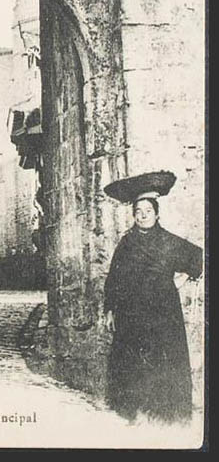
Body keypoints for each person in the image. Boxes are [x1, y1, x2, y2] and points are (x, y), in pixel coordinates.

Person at [103, 171, 203, 424]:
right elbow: (113, 279)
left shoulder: (168, 241)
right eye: (138, 211)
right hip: (130, 313)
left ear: (157, 214)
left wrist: (180, 280)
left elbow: (198, 258)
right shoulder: (126, 244)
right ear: (134, 215)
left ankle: (164, 414)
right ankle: (134, 412)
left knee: (162, 359)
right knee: (132, 360)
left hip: (162, 312)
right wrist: (110, 310)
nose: (143, 215)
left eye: (148, 210)